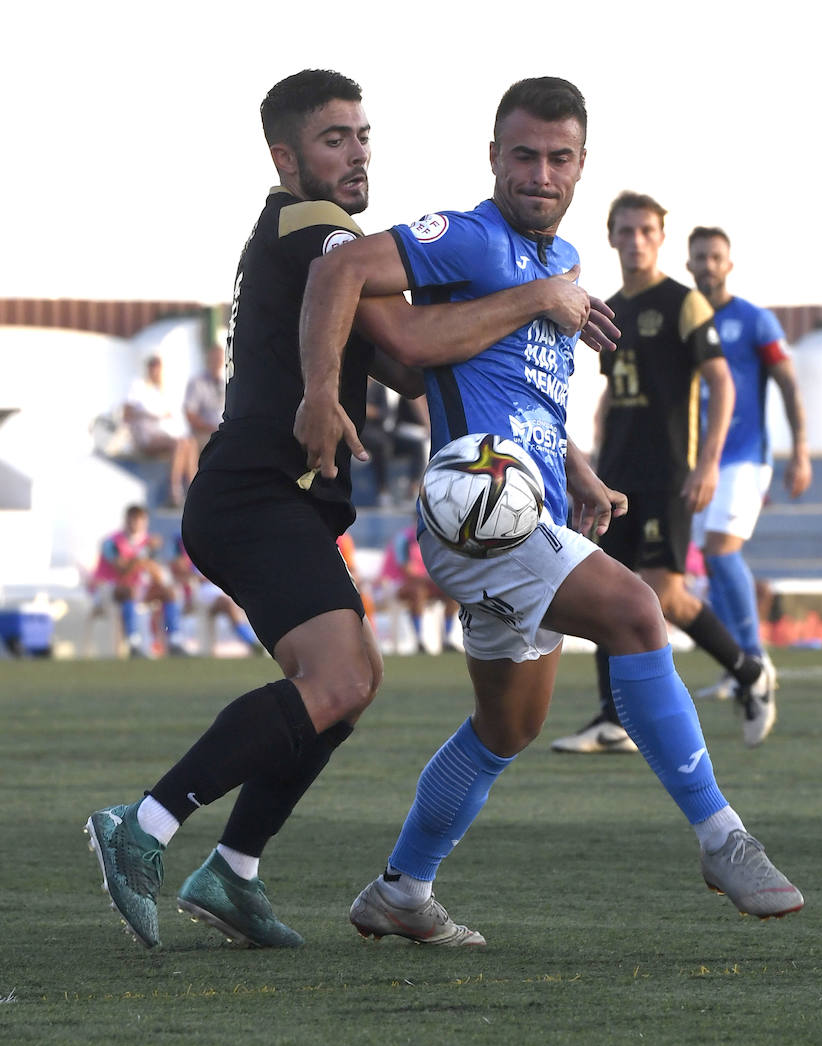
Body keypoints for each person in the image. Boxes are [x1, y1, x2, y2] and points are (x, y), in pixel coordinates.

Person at [85, 67, 611, 951]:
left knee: (351, 684)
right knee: (340, 679)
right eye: (336, 139)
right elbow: (409, 341)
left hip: (275, 499)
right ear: (286, 157)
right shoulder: (320, 227)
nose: (358, 153)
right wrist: (531, 298)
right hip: (259, 494)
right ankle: (145, 824)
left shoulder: (306, 235)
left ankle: (236, 871)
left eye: (364, 134)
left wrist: (564, 452)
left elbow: (416, 368)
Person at [297, 77, 804, 948]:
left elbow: (521, 394)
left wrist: (581, 469)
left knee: (508, 726)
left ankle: (400, 888)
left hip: (527, 503)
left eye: (558, 158)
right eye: (522, 154)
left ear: (580, 166)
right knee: (637, 611)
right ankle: (723, 837)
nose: (539, 173)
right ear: (493, 156)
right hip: (479, 506)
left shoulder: (556, 268)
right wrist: (317, 393)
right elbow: (338, 267)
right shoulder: (469, 238)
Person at [551, 192, 778, 755]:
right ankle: (614, 720)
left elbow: (722, 383)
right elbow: (612, 393)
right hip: (619, 471)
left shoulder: (684, 303)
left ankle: (749, 672)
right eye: (625, 230)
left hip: (670, 471)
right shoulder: (607, 308)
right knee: (609, 592)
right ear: (611, 237)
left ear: (660, 237)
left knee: (665, 594)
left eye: (646, 230)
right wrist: (593, 468)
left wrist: (707, 464)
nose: (635, 240)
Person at [686, 226, 812, 705]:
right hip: (697, 464)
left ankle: (755, 660)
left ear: (729, 264)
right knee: (710, 570)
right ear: (689, 264)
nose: (708, 265)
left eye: (716, 257)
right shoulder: (685, 320)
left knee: (720, 553)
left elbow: (789, 385)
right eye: (700, 257)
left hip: (743, 457)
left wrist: (799, 450)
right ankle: (734, 665)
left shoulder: (755, 321)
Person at [89, 504, 186, 657]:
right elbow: (122, 570)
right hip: (108, 589)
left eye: (140, 520)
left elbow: (157, 573)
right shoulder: (111, 542)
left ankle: (174, 641)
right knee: (130, 591)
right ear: (126, 520)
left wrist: (147, 562)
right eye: (132, 519)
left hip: (138, 588)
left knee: (169, 592)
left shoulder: (150, 542)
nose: (136, 523)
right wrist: (143, 555)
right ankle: (134, 644)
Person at [124, 354, 198, 506]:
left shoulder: (161, 390)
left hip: (161, 434)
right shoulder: (138, 386)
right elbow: (128, 413)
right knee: (178, 444)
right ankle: (174, 490)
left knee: (189, 443)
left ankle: (192, 485)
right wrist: (151, 415)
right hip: (145, 436)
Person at [376, 524, 461, 653]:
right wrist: (434, 579)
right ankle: (419, 639)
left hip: (427, 585)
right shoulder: (403, 539)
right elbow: (407, 571)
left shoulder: (437, 538)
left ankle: (447, 639)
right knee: (418, 591)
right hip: (397, 584)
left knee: (451, 592)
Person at [184, 343, 227, 452]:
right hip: (204, 434)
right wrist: (212, 428)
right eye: (214, 359)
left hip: (224, 432)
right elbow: (190, 415)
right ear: (208, 360)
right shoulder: (197, 383)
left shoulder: (225, 383)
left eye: (219, 359)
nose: (217, 362)